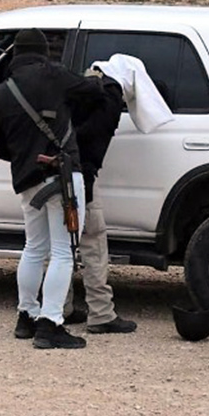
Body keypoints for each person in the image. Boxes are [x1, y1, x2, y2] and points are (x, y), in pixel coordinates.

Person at [0, 29, 101, 350]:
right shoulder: (54, 75)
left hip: (27, 180)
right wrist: (96, 78)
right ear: (43, 52)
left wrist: (26, 154)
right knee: (64, 252)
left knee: (34, 248)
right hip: (63, 177)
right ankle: (51, 324)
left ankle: (26, 316)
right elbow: (91, 92)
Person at [61, 67, 138, 334]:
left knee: (61, 249)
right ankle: (101, 313)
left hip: (57, 182)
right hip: (85, 186)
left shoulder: (67, 103)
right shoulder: (107, 105)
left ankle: (61, 307)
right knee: (93, 247)